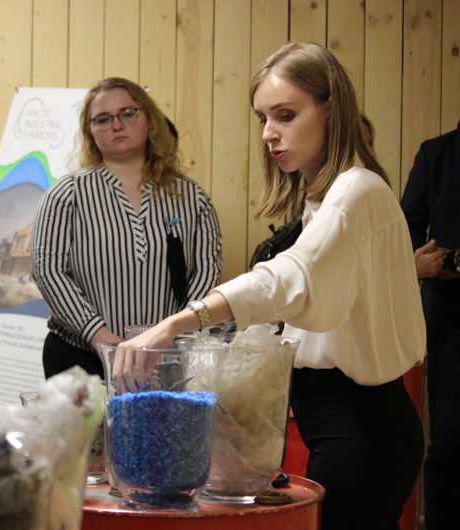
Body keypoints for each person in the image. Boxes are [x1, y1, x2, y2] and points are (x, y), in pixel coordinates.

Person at [123, 43, 424, 530]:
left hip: (362, 429)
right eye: (262, 118)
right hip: (340, 425)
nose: (268, 133)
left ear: (332, 110)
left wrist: (178, 322)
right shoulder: (322, 199)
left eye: (285, 115)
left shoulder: (356, 190)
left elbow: (290, 277)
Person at [31, 76, 222, 379]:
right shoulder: (66, 194)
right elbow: (48, 272)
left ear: (150, 119)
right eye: (103, 119)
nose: (116, 125)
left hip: (166, 358)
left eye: (128, 113)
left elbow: (206, 270)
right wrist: (103, 339)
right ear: (90, 131)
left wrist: (173, 336)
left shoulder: (191, 196)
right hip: (82, 359)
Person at [400, 119, 460, 529]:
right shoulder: (437, 153)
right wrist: (428, 262)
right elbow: (405, 226)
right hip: (451, 318)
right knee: (450, 440)